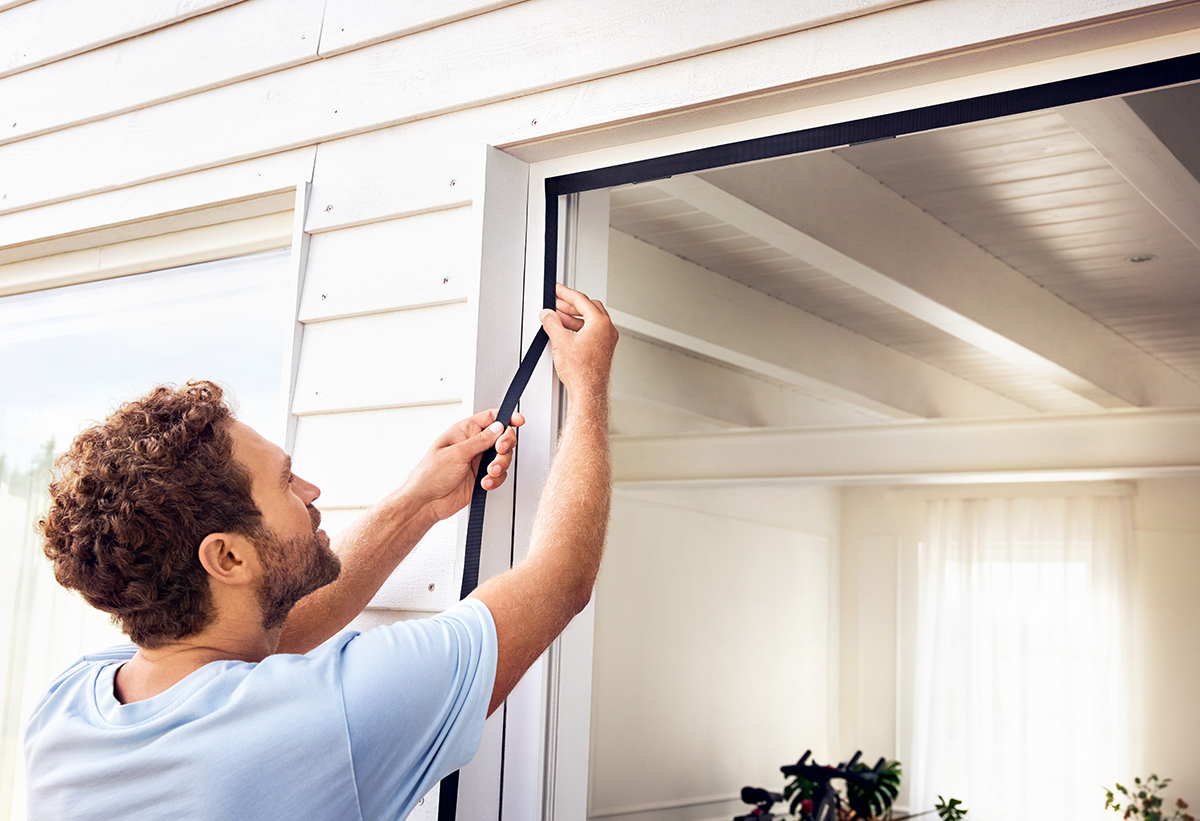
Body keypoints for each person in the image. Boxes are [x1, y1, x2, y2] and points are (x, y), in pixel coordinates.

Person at [24, 283, 618, 820]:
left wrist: (418, 503)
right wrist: (589, 389)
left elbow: (275, 632)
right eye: (285, 483)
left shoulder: (68, 706)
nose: (311, 492)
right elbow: (560, 579)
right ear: (227, 559)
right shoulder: (329, 714)